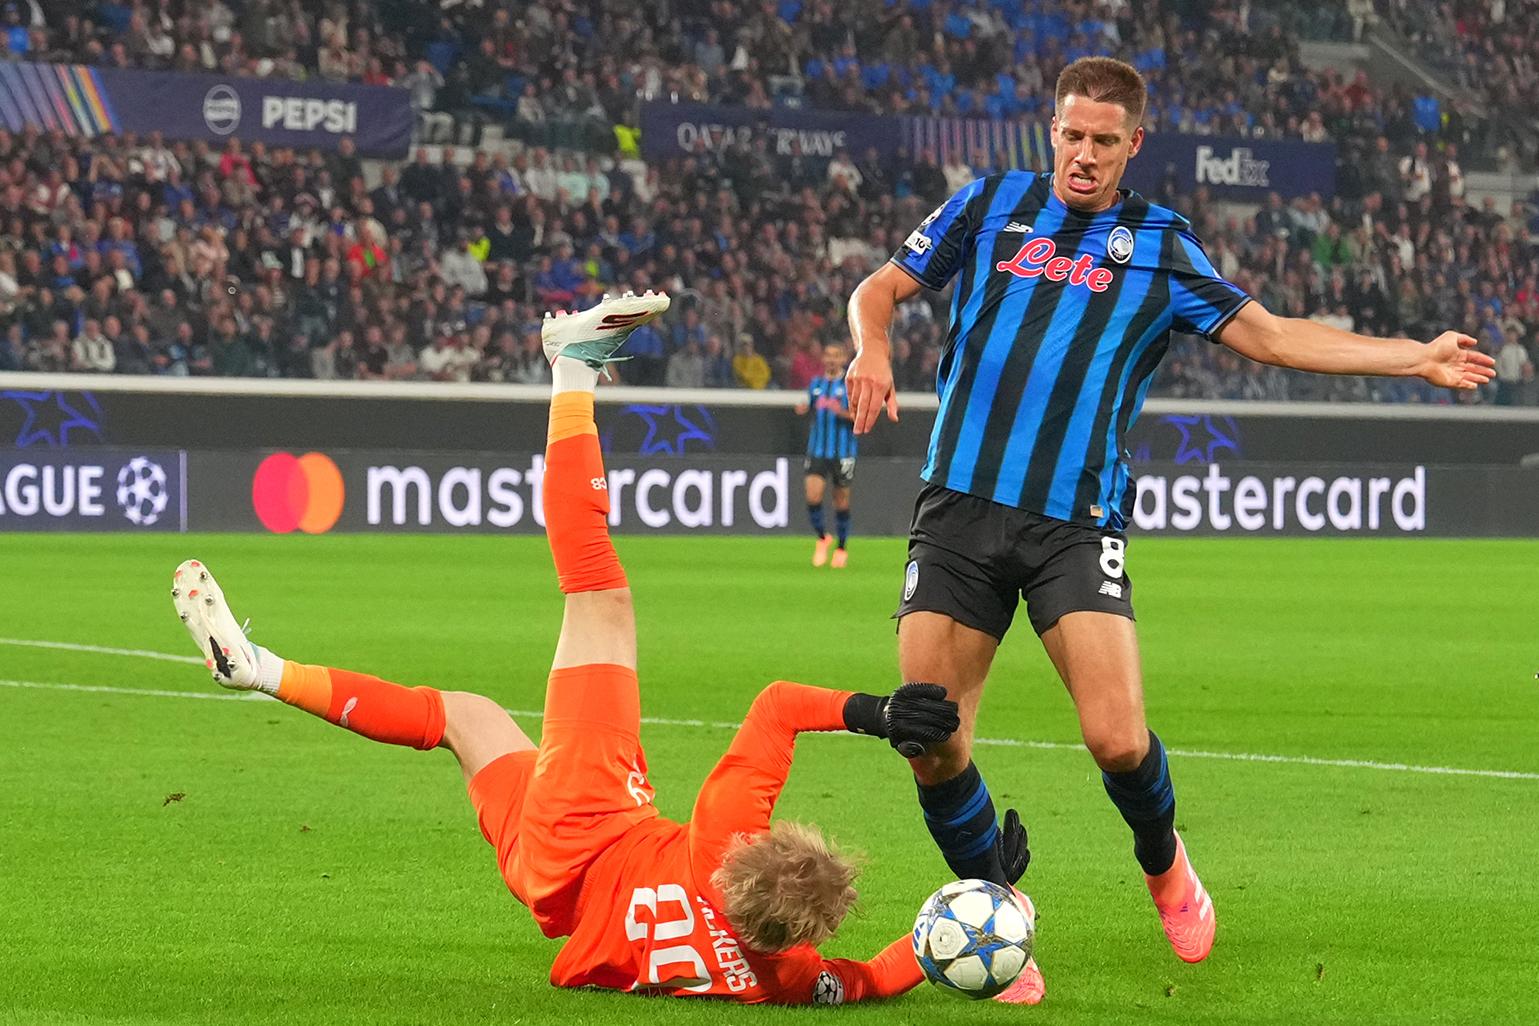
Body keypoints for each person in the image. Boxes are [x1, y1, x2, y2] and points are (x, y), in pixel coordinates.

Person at [169, 293, 1041, 1006]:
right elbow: (872, 979)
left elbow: (777, 705)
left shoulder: (721, 839)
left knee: (599, 595)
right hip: (549, 890)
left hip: (587, 821)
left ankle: (572, 370)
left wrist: (876, 713)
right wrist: (970, 919)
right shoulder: (778, 979)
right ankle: (260, 669)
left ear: (753, 855)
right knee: (462, 717)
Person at [844, 55, 1494, 984]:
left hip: (1074, 523)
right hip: (957, 510)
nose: (1083, 154)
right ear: (1052, 129)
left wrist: (1413, 357)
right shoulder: (986, 205)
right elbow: (876, 289)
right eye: (1072, 134)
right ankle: (1000, 919)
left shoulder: (1159, 246)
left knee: (1115, 738)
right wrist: (871, 347)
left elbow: (1272, 337)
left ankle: (1164, 866)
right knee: (930, 739)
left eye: (1103, 141)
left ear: (1132, 145)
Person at [794, 343, 858, 568]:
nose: (831, 360)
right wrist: (804, 408)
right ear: (823, 359)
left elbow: (859, 415)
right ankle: (822, 537)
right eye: (828, 355)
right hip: (817, 449)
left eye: (836, 356)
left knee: (841, 501)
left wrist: (841, 412)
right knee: (812, 496)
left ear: (843, 359)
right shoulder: (816, 384)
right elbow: (812, 406)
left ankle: (841, 548)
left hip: (843, 452)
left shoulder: (851, 384)